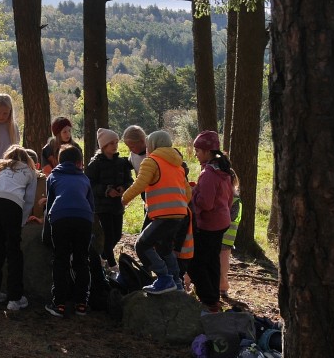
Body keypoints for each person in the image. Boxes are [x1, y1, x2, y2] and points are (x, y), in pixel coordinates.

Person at [121, 130, 191, 295]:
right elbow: (188, 193)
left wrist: (123, 199)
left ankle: (164, 278)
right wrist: (179, 205)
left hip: (163, 215)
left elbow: (140, 184)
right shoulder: (178, 165)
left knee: (142, 245)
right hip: (179, 215)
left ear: (152, 145)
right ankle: (176, 282)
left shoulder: (151, 161)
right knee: (165, 248)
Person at [0, 145, 38, 311]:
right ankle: (15, 298)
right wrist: (22, 221)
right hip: (11, 205)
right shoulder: (29, 171)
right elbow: (29, 200)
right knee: (13, 252)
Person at [43, 145, 94, 317]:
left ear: (58, 161)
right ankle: (82, 303)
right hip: (84, 218)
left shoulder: (53, 177)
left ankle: (59, 303)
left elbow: (49, 205)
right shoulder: (85, 179)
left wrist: (47, 228)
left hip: (60, 217)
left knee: (60, 260)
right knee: (82, 260)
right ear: (80, 163)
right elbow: (91, 205)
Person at [189, 130, 235, 313]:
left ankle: (209, 300)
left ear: (208, 152)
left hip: (208, 224)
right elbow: (229, 198)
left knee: (196, 263)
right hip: (222, 221)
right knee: (212, 261)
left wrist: (193, 194)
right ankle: (213, 296)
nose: (196, 154)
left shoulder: (208, 173)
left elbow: (205, 204)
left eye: (198, 151)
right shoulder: (224, 171)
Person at [86, 128, 133, 272]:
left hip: (117, 205)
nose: (115, 145)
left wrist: (123, 188)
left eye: (116, 142)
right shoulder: (95, 164)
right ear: (103, 146)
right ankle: (112, 265)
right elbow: (89, 184)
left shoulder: (122, 162)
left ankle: (101, 257)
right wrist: (106, 190)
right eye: (111, 143)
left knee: (117, 235)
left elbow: (129, 180)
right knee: (108, 235)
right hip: (102, 206)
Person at [220, 172, 242, 299]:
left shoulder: (235, 199)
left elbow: (232, 217)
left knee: (223, 264)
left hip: (225, 238)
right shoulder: (233, 198)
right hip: (221, 237)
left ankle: (223, 288)